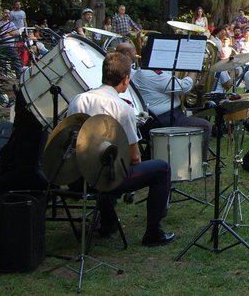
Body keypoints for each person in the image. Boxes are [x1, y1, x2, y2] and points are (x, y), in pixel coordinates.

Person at [66, 52, 174, 246]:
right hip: (105, 178)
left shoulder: (78, 99)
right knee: (162, 169)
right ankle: (153, 233)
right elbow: (134, 157)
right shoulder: (121, 108)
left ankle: (108, 223)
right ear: (125, 79)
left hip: (78, 176)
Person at [131, 51, 211, 159]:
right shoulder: (152, 74)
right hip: (166, 120)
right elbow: (184, 86)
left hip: (158, 117)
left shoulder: (143, 72)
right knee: (205, 126)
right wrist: (194, 67)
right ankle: (199, 164)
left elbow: (171, 84)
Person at [0, 7, 22, 77]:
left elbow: (17, 33)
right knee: (2, 62)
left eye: (8, 13)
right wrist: (10, 32)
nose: (7, 14)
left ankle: (20, 76)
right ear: (2, 14)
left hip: (10, 45)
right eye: (6, 13)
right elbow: (1, 34)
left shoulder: (11, 23)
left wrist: (8, 32)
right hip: (1, 46)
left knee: (16, 59)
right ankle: (3, 77)